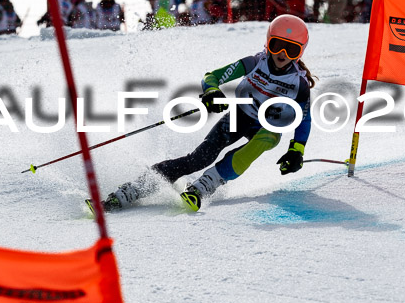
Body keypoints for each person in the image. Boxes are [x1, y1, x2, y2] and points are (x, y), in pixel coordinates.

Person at [95, 15, 315, 212]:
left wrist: (297, 149)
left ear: (300, 52)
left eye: (291, 49)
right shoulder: (255, 62)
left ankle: (207, 183)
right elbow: (212, 77)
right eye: (277, 46)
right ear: (268, 42)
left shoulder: (299, 84)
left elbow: (304, 118)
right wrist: (212, 92)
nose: (282, 54)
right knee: (198, 159)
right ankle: (135, 188)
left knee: (264, 140)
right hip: (239, 116)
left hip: (267, 127)